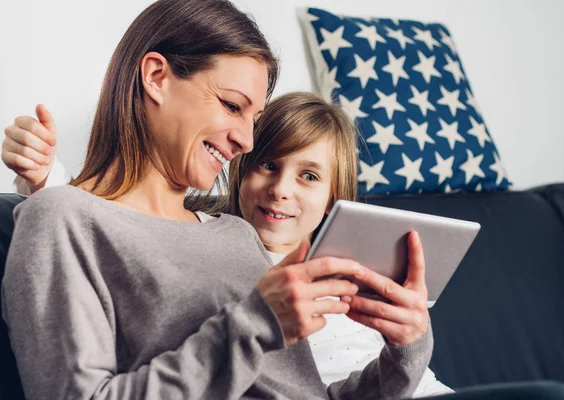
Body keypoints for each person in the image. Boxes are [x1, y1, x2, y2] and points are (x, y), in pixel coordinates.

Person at [0, 1, 433, 399]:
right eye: (231, 106)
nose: (246, 141)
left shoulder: (237, 234)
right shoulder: (62, 218)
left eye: (254, 119)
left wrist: (405, 353)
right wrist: (255, 325)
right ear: (156, 77)